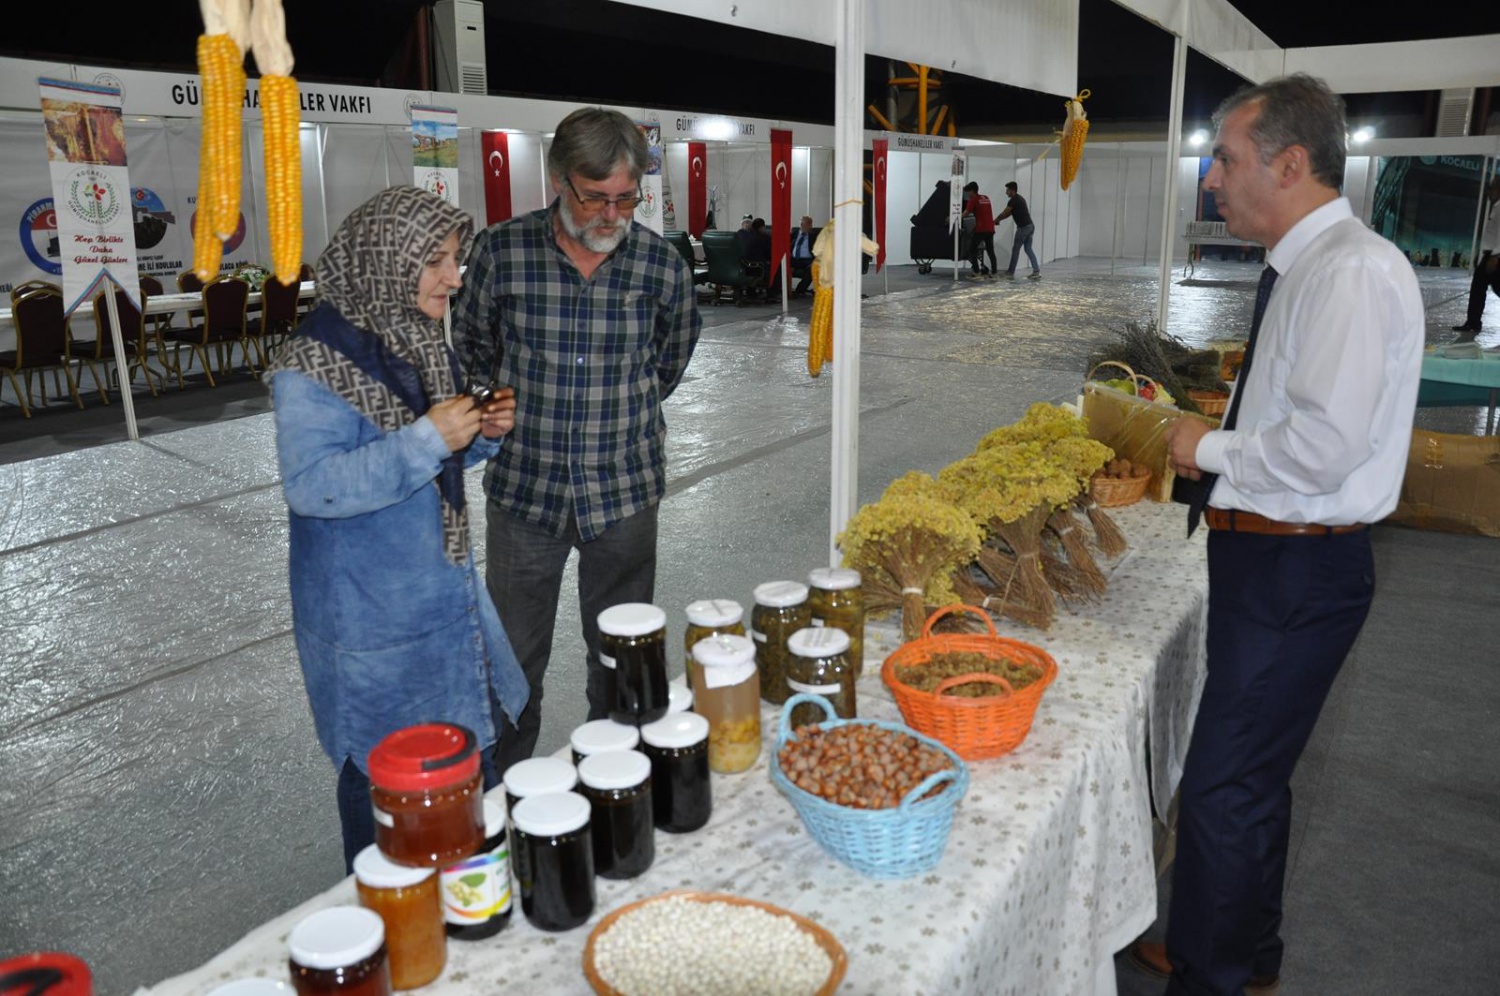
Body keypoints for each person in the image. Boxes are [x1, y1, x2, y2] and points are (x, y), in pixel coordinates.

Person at [1141, 74, 1424, 996]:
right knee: (1248, 774)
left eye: (1225, 159)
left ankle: (1210, 974)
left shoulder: (1348, 273)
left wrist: (1203, 445)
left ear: (1291, 163)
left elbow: (1323, 446)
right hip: (1271, 554)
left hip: (1295, 565)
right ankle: (1234, 946)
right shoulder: (1309, 267)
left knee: (1226, 782)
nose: (1212, 179)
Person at [267, 186, 530, 871]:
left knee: (466, 776)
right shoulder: (313, 364)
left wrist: (480, 433)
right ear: (387, 261)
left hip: (443, 605)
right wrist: (430, 437)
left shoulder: (413, 340)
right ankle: (389, 911)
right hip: (373, 626)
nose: (454, 277)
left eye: (455, 259)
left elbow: (431, 461)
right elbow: (313, 486)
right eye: (435, 261)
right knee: (388, 783)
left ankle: (474, 897)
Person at [452, 107, 702, 772]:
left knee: (621, 660)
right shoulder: (502, 253)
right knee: (511, 664)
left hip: (622, 495)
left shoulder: (661, 267)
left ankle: (612, 786)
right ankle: (502, 798)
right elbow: (470, 351)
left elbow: (668, 363)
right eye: (595, 197)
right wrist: (500, 411)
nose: (612, 215)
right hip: (525, 497)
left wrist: (613, 414)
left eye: (627, 198)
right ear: (559, 180)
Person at [1452, 175, 1500, 338]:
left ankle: (1473, 323)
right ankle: (1473, 323)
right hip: (1491, 255)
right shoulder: (1496, 206)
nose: (1488, 192)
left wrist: (1495, 256)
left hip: (1495, 256)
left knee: (1485, 287)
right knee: (1479, 286)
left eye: (1491, 189)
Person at [996, 180, 1040, 279]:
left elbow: (1004, 213)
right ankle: (1036, 271)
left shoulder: (1013, 200)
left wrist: (996, 220)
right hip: (1030, 226)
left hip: (1023, 228)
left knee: (1016, 249)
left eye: (1007, 190)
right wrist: (998, 220)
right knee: (1028, 249)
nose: (1006, 192)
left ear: (1012, 190)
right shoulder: (1020, 198)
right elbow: (1008, 214)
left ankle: (1010, 272)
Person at [962, 181, 997, 277]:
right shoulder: (986, 198)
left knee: (972, 249)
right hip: (990, 228)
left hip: (981, 228)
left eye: (967, 192)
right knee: (990, 251)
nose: (967, 195)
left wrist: (953, 218)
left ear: (972, 191)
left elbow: (966, 213)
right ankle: (994, 272)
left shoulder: (973, 199)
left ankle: (976, 272)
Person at [790, 215, 816, 295]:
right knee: (781, 264)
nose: (811, 226)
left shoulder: (814, 236)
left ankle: (799, 291)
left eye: (811, 224)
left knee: (813, 269)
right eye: (808, 224)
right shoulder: (793, 234)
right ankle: (779, 290)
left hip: (808, 261)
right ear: (801, 225)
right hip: (794, 259)